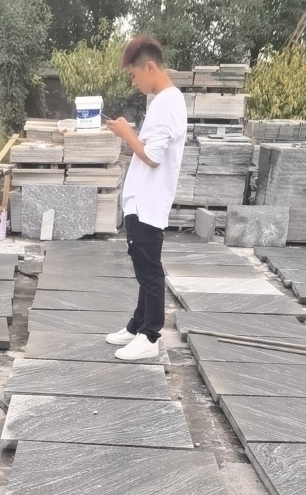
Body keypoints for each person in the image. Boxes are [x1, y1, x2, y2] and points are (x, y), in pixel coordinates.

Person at [106, 35, 187, 360]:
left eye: (133, 75)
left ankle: (150, 336)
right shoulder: (163, 101)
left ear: (149, 67)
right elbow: (152, 148)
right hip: (142, 203)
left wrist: (127, 134)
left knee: (150, 272)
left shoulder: (167, 103)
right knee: (143, 267)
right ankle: (137, 325)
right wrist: (130, 132)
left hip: (149, 204)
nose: (133, 82)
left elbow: (152, 157)